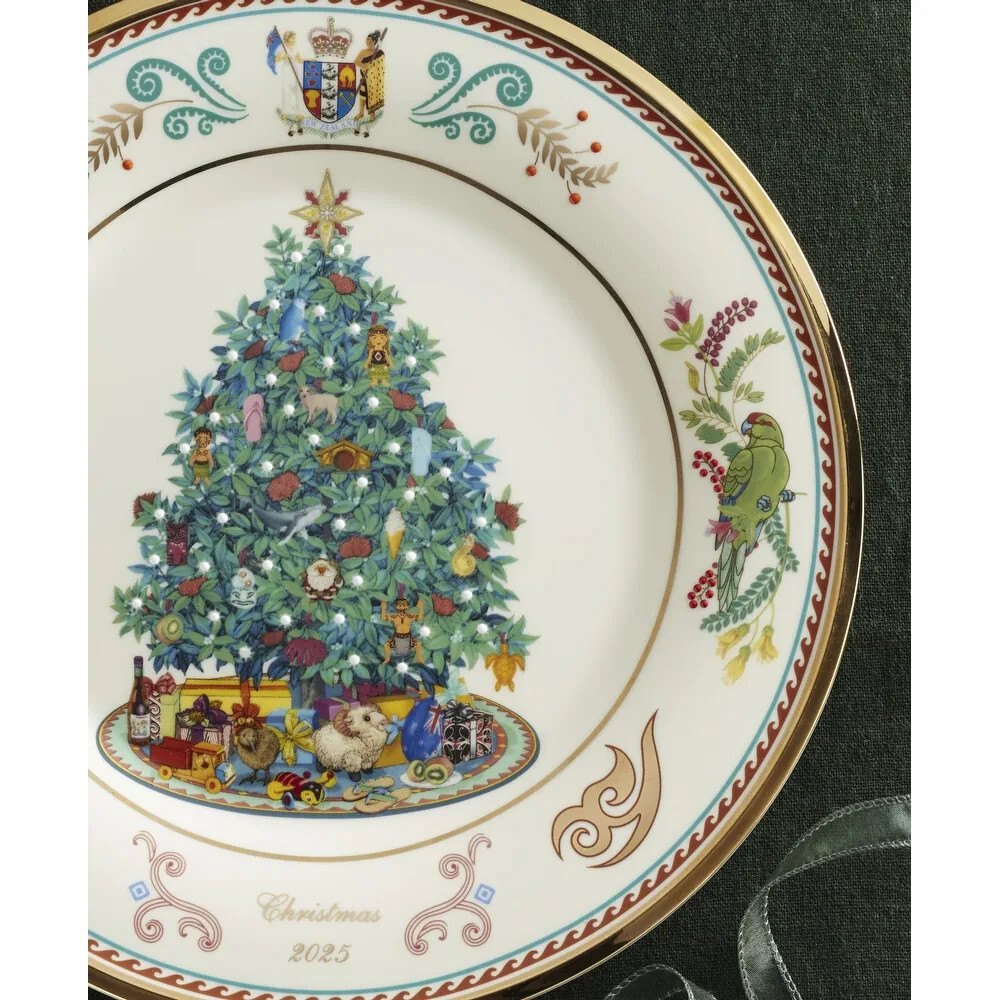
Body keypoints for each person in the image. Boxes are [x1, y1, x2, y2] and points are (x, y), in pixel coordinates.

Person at [353, 30, 386, 136]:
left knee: (373, 95)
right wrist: (365, 66)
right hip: (365, 78)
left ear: (375, 41)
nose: (368, 42)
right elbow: (356, 62)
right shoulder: (363, 52)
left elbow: (380, 65)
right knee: (363, 96)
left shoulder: (379, 53)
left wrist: (373, 67)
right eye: (367, 40)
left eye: (370, 40)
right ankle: (361, 112)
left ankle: (372, 113)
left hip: (374, 80)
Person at [274, 30, 304, 136]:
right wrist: (284, 57)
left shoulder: (295, 48)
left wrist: (311, 60)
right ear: (288, 38)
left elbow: (299, 60)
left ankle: (298, 112)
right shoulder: (281, 47)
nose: (295, 40)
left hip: (295, 70)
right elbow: (276, 59)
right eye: (293, 38)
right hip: (287, 70)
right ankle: (286, 112)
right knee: (287, 91)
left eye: (295, 37)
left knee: (296, 92)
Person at [381, 596, 424, 664]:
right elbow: (384, 618)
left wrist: (420, 608)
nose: (402, 607)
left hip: (408, 637)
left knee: (418, 644)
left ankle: (419, 658)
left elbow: (420, 618)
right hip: (396, 636)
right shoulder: (394, 616)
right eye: (400, 605)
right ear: (396, 607)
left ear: (407, 606)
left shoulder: (409, 616)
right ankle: (387, 658)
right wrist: (383, 608)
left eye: (404, 605)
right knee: (386, 645)